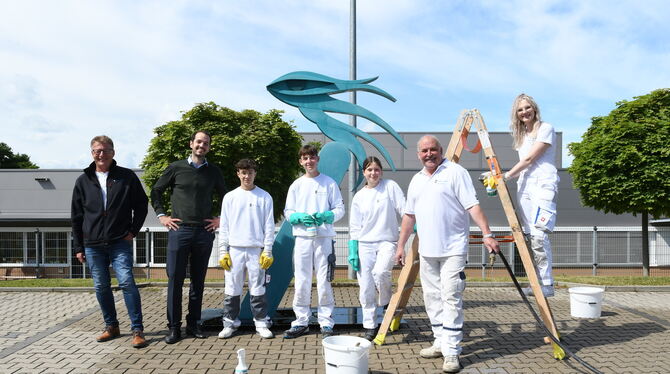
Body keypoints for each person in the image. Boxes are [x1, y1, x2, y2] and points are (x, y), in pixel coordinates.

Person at [394, 135, 499, 373]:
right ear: (418, 154)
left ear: (440, 150)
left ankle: (452, 352)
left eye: (433, 149)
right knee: (432, 297)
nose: (429, 154)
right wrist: (400, 246)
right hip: (427, 250)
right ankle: (440, 341)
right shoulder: (416, 179)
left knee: (451, 297)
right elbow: (409, 216)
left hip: (453, 248)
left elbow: (472, 205)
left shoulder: (455, 172)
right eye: (424, 151)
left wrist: (487, 233)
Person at [71, 135, 149, 348]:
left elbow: (142, 204)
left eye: (105, 150)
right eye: (97, 150)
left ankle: (137, 329)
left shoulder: (126, 176)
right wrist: (79, 246)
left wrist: (133, 230)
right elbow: (76, 216)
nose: (101, 154)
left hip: (119, 241)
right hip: (93, 244)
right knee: (101, 286)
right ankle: (111, 326)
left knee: (126, 282)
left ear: (113, 152)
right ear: (92, 153)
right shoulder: (83, 180)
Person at [150, 130, 227, 344]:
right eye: (199, 142)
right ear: (191, 143)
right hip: (179, 231)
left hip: (204, 232)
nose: (202, 145)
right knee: (175, 279)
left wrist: (220, 219)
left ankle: (193, 324)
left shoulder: (214, 172)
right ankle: (174, 328)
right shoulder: (176, 168)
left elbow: (226, 197)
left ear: (209, 147)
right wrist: (162, 216)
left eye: (206, 143)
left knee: (198, 281)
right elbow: (156, 191)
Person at [283, 144, 345, 339]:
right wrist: (297, 217)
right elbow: (288, 211)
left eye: (312, 157)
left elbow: (339, 209)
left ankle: (326, 322)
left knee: (324, 280)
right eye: (305, 158)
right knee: (301, 280)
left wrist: (327, 216)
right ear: (300, 161)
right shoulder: (296, 185)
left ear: (317, 159)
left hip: (323, 238)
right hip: (302, 238)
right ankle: (301, 321)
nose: (309, 161)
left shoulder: (329, 183)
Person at [504, 93, 559, 297]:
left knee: (539, 236)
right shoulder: (521, 136)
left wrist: (506, 176)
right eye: (520, 110)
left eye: (527, 108)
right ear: (516, 114)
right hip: (525, 185)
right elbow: (524, 162)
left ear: (534, 109)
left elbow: (529, 159)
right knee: (528, 236)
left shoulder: (545, 129)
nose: (524, 112)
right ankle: (536, 282)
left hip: (543, 184)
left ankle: (547, 284)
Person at [348, 156, 405, 341]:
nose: (373, 173)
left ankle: (387, 303)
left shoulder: (390, 187)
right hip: (364, 244)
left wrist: (412, 224)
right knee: (366, 287)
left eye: (376, 169)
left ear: (381, 171)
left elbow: (403, 208)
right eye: (369, 170)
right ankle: (370, 325)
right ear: (364, 172)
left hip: (387, 241)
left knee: (381, 273)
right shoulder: (359, 196)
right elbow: (355, 226)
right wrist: (353, 249)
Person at [217, 159, 275, 340]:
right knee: (232, 288)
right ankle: (229, 323)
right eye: (243, 172)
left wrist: (268, 250)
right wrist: (222, 251)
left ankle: (261, 322)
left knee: (258, 288)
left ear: (254, 174)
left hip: (256, 249)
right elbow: (224, 225)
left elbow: (269, 226)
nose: (246, 176)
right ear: (238, 174)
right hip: (234, 249)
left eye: (250, 172)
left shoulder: (264, 197)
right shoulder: (230, 197)